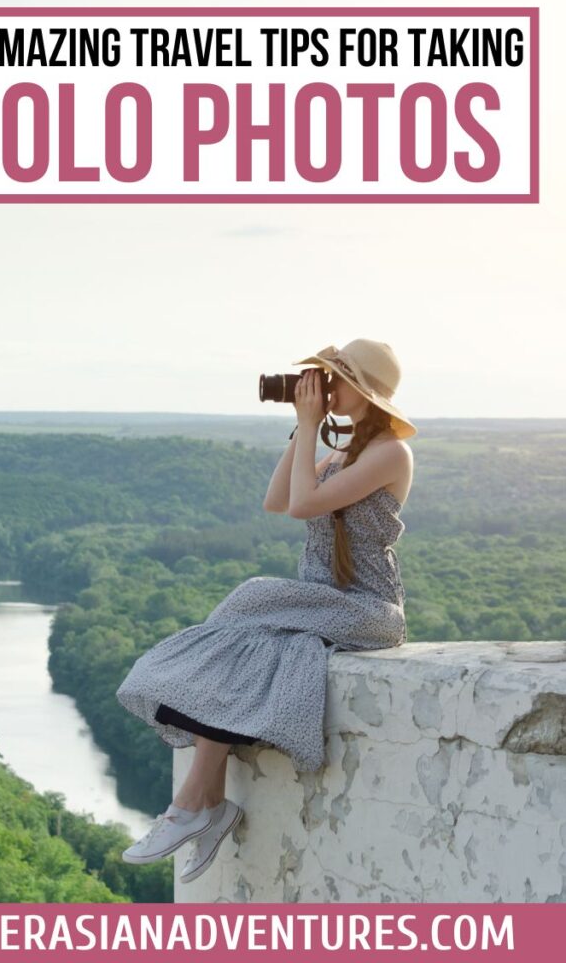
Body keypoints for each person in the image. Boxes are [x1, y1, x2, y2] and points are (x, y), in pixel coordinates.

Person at [116, 339, 416, 884]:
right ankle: (204, 802)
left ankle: (194, 809)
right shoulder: (344, 453)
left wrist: (309, 424)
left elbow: (303, 504)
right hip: (319, 602)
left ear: (366, 392)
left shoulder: (390, 453)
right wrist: (305, 428)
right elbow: (277, 500)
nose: (325, 387)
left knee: (251, 599)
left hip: (367, 607)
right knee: (244, 649)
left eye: (335, 379)